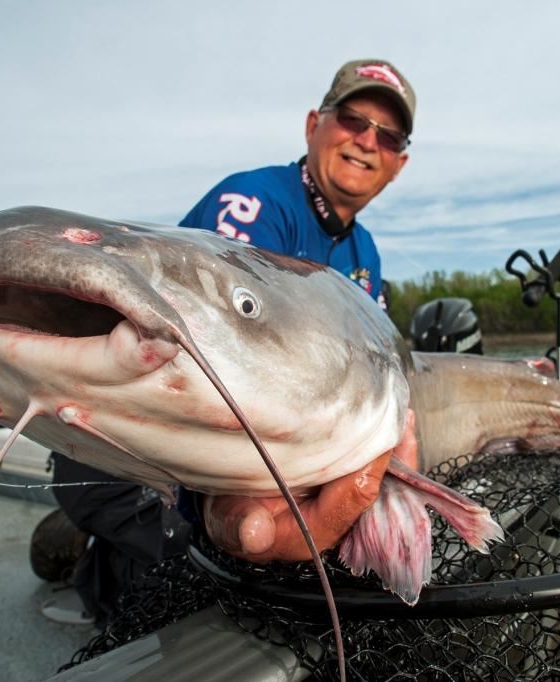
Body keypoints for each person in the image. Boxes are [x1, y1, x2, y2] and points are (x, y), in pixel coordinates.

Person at [37, 58, 416, 623]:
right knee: (202, 577)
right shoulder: (254, 204)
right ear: (314, 123)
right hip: (122, 463)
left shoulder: (366, 252)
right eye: (352, 120)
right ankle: (94, 562)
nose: (366, 141)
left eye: (387, 135)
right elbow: (212, 358)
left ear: (399, 163)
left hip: (210, 457)